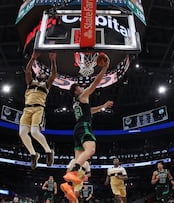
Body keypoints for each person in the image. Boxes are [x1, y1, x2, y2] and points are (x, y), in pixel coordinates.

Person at [61, 53, 113, 201]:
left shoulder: (78, 103)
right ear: (76, 91)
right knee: (91, 150)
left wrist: (103, 106)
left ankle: (68, 185)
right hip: (84, 127)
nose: (82, 88)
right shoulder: (82, 96)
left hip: (77, 129)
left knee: (80, 160)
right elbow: (95, 83)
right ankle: (71, 174)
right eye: (79, 87)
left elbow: (90, 111)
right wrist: (105, 68)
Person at [19, 51, 57, 169]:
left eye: (43, 72)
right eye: (39, 71)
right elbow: (27, 71)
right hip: (27, 109)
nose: (41, 72)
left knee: (35, 132)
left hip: (38, 109)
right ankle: (34, 154)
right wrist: (32, 58)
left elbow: (54, 74)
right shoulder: (30, 82)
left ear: (45, 76)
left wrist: (53, 60)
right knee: (22, 133)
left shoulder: (46, 85)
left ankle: (48, 151)